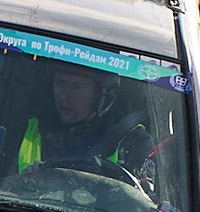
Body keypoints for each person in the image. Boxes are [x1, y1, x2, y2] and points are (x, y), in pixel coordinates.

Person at [13, 62, 154, 181]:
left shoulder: (133, 141)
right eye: (60, 83)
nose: (64, 95)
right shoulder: (29, 129)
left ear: (101, 96)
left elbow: (141, 204)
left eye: (76, 87)